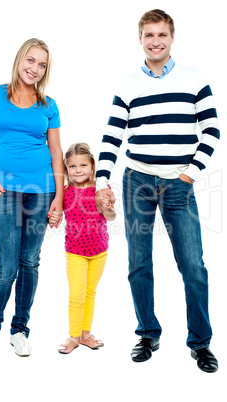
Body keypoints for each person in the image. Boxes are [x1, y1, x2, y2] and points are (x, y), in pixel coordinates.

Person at [95, 9, 220, 373]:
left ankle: (200, 342)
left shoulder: (194, 80)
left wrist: (189, 176)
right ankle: (148, 333)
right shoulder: (128, 85)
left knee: (193, 266)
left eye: (161, 35)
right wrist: (102, 180)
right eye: (149, 35)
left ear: (172, 37)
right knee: (138, 263)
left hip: (179, 184)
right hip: (137, 182)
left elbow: (211, 131)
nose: (155, 41)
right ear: (140, 39)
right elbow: (112, 136)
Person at [0, 38, 64, 357]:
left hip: (42, 191)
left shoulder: (48, 105)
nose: (34, 68)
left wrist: (59, 198)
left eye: (42, 65)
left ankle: (19, 329)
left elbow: (55, 151)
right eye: (31, 60)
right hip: (3, 192)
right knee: (7, 266)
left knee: (30, 262)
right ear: (19, 59)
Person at [49, 143, 115, 353]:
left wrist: (108, 208)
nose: (78, 170)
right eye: (73, 166)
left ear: (92, 166)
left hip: (99, 252)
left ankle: (86, 334)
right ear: (67, 169)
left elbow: (112, 217)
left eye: (83, 165)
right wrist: (53, 218)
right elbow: (55, 218)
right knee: (76, 294)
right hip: (75, 252)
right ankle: (74, 336)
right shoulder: (65, 193)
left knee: (90, 293)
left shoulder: (100, 190)